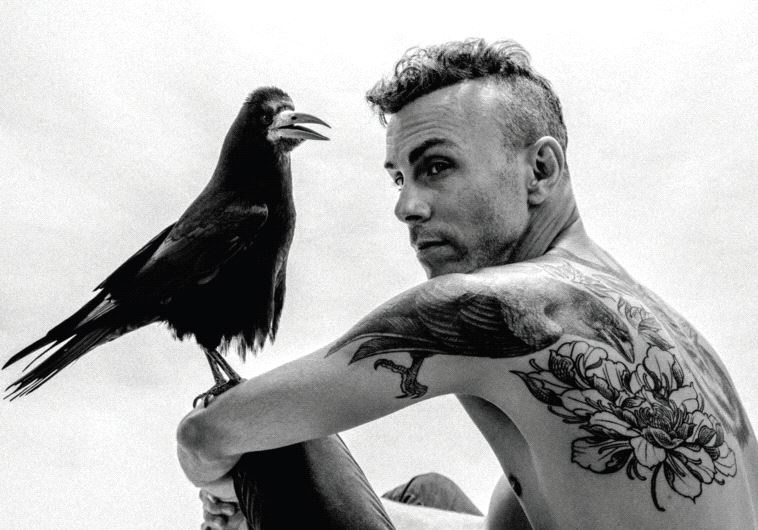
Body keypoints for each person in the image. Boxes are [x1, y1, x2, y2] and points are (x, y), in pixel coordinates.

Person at [177, 39, 758, 529]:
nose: (406, 206)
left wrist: (235, 490)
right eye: (399, 178)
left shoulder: (497, 305)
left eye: (436, 166)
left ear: (540, 170)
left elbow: (205, 438)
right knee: (429, 494)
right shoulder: (678, 341)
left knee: (265, 436)